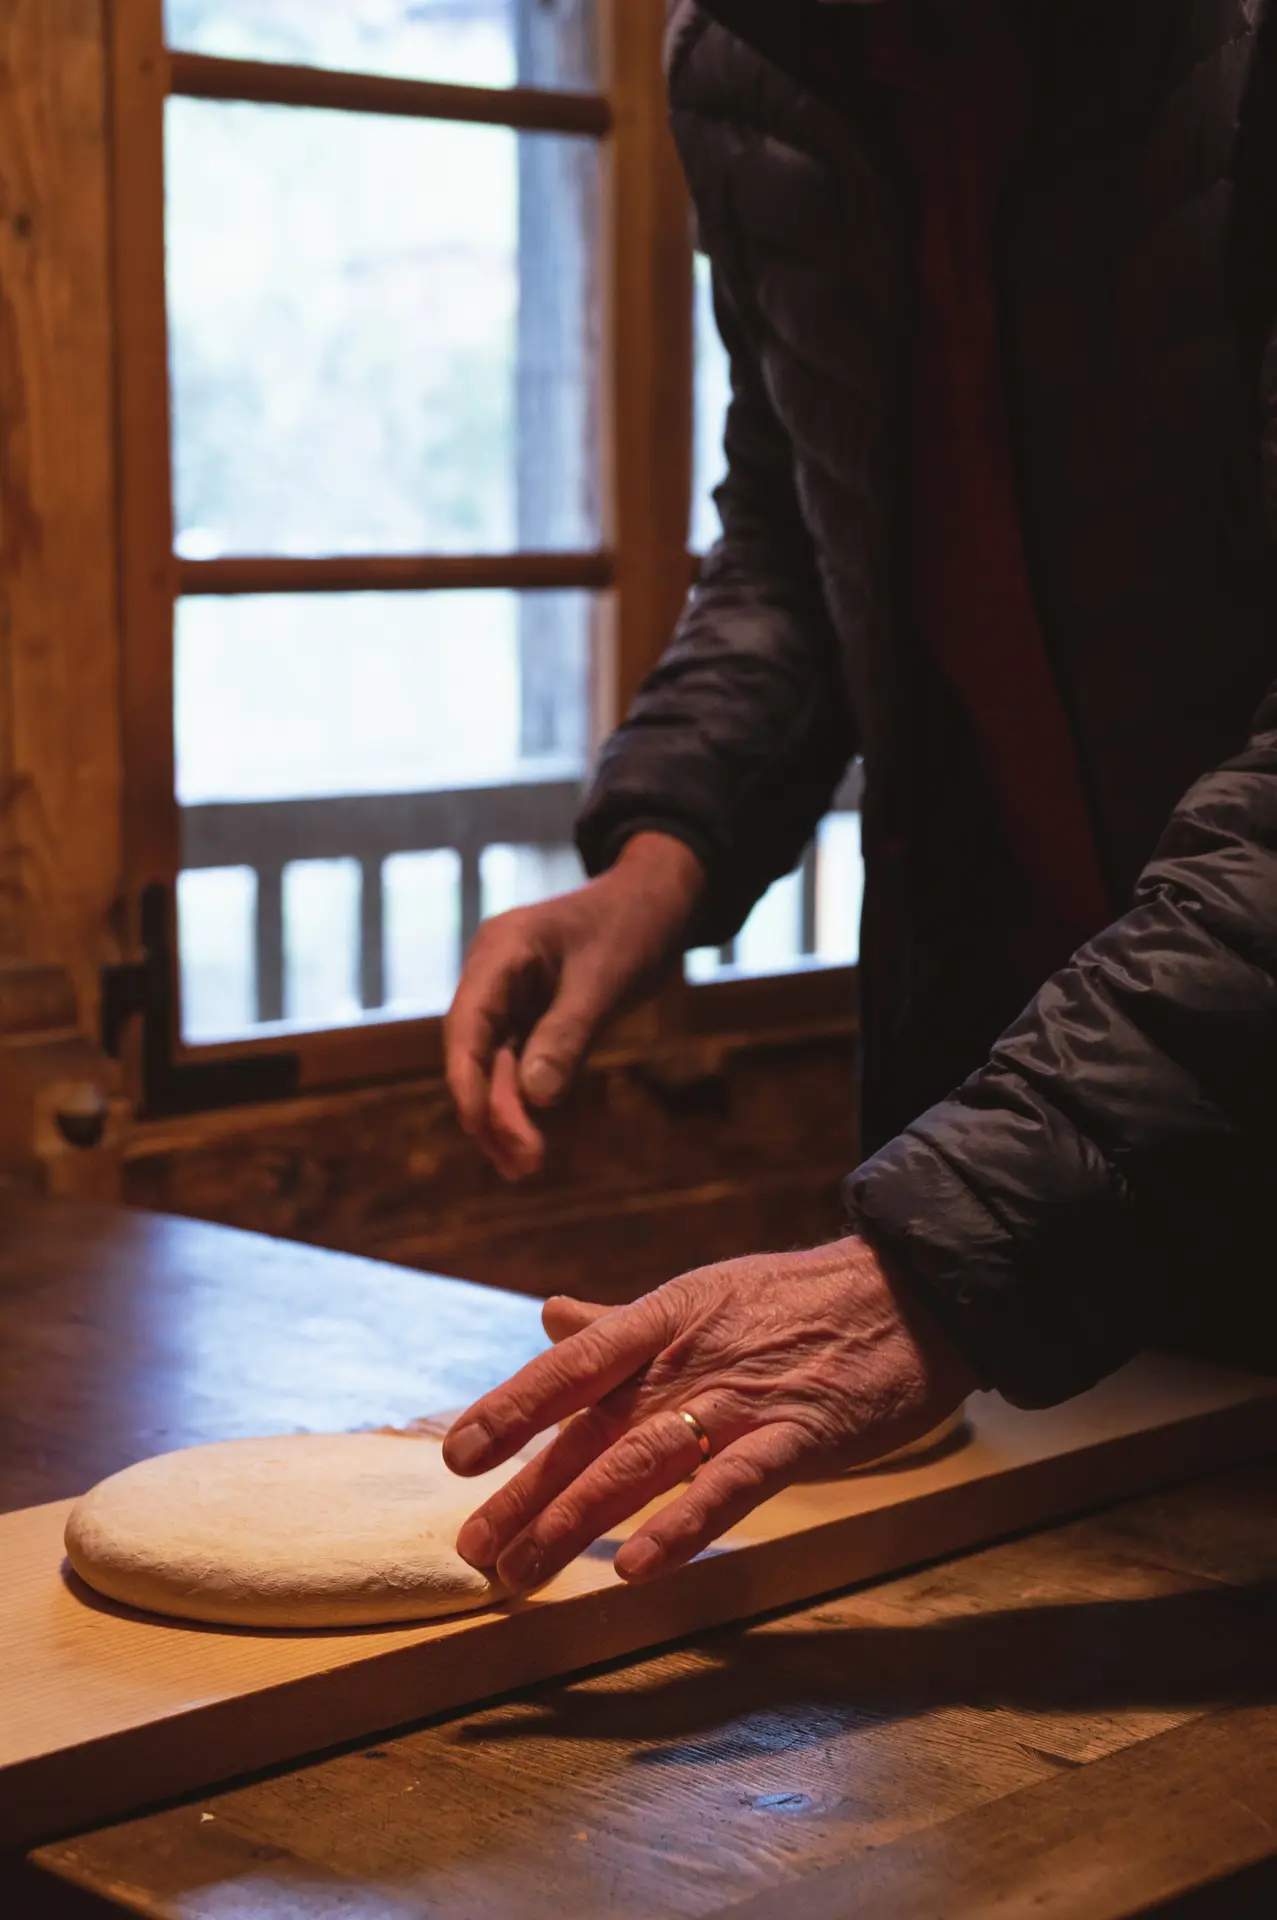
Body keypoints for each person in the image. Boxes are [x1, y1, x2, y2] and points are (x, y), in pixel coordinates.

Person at [440, 0, 1277, 1598]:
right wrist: (663, 850)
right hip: (1038, 1117)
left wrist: (943, 1252)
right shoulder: (757, 66)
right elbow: (803, 541)